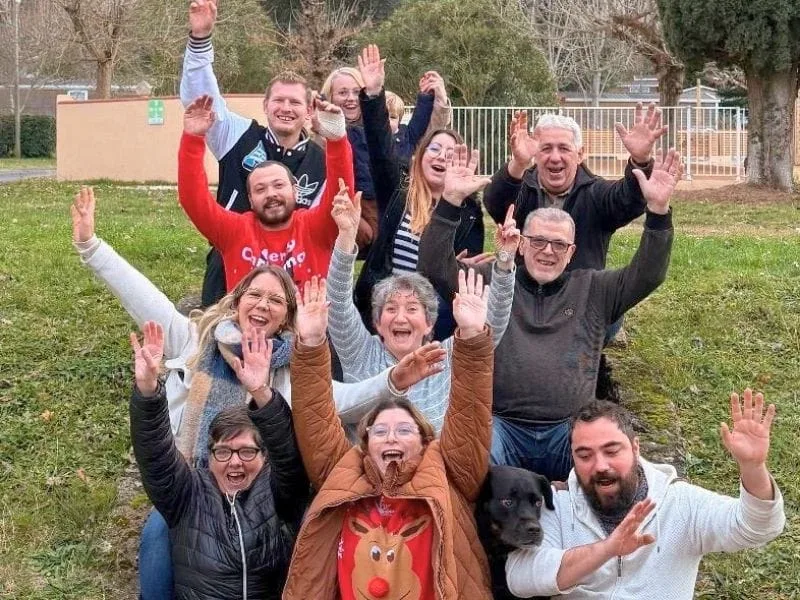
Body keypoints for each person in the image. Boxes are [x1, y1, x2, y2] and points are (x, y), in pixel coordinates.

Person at [71, 186, 437, 599]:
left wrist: (394, 380)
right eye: (255, 295)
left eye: (276, 300)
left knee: (303, 527)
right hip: (192, 485)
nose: (263, 305)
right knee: (158, 533)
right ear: (237, 301)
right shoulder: (197, 341)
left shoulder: (291, 371)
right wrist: (90, 246)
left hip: (264, 492)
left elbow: (344, 401)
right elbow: (143, 297)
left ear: (287, 316)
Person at [418, 149, 682, 482]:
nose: (547, 251)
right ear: (522, 245)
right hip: (500, 424)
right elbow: (433, 267)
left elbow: (648, 275)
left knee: (615, 473)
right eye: (538, 241)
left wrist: (658, 211)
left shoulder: (595, 289)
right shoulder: (490, 281)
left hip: (568, 430)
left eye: (559, 245)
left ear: (572, 253)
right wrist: (450, 201)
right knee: (464, 467)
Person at [281, 272, 496, 600]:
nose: (391, 438)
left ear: (426, 441)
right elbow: (314, 418)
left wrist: (471, 335)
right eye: (379, 431)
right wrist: (310, 344)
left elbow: (470, 416)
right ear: (364, 444)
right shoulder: (345, 471)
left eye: (404, 429)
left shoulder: (448, 472)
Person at [505, 393, 786, 598]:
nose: (600, 465)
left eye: (612, 451)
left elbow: (757, 528)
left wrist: (752, 467)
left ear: (635, 448)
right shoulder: (560, 505)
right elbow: (519, 578)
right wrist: (605, 550)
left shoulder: (681, 503)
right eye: (585, 455)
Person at [129, 320, 309, 599]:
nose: (235, 462)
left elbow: (287, 454)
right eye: (223, 452)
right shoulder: (188, 494)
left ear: (264, 456)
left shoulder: (277, 494)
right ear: (209, 456)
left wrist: (261, 391)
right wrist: (148, 390)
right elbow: (156, 457)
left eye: (246, 451)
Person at [327, 177, 517, 432]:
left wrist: (504, 262)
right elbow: (338, 300)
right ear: (377, 323)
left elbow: (490, 329)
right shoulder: (359, 351)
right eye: (391, 309)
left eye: (412, 309)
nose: (401, 318)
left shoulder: (444, 357)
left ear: (429, 324)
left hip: (431, 468)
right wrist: (346, 237)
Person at [181, 0, 327, 306]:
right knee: (218, 345)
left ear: (308, 110)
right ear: (265, 105)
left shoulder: (322, 161)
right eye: (278, 100)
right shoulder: (238, 135)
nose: (285, 108)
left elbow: (324, 229)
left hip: (293, 278)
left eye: (295, 102)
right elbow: (201, 101)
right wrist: (200, 41)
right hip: (229, 262)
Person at [353, 44, 486, 339]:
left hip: (434, 314)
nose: (441, 157)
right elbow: (380, 150)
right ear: (421, 157)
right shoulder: (399, 195)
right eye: (434, 149)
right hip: (383, 303)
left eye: (450, 153)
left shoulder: (470, 214)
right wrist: (374, 96)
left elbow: (461, 275)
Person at [178, 94, 354, 294]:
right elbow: (193, 199)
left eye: (279, 185)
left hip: (306, 324)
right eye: (260, 189)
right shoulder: (234, 231)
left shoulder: (315, 228)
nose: (271, 193)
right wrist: (193, 138)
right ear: (251, 200)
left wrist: (337, 140)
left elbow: (342, 194)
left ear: (295, 191)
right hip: (248, 324)